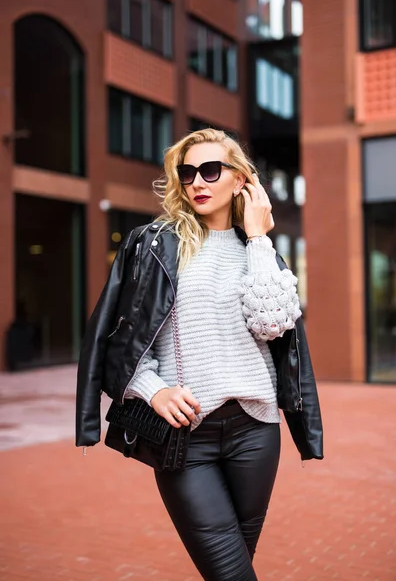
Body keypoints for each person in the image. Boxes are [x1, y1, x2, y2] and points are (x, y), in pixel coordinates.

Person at [76, 129, 323, 581]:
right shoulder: (153, 245)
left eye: (211, 170)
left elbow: (273, 324)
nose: (197, 182)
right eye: (187, 173)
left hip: (255, 430)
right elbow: (119, 339)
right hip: (186, 436)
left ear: (241, 180)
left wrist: (258, 238)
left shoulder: (260, 251)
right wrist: (154, 390)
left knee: (230, 570)